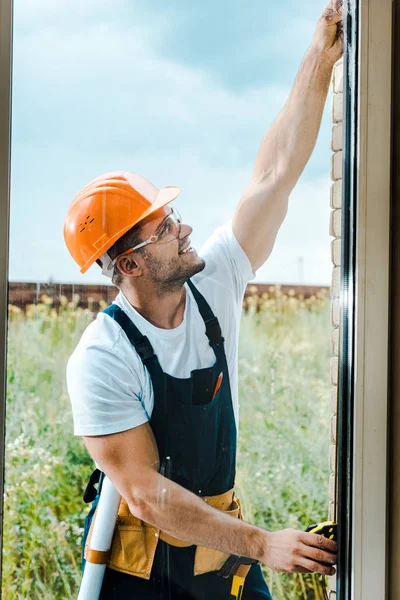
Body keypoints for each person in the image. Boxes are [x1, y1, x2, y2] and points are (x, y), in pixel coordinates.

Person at [64, 2, 343, 598]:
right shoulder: (103, 356)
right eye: (162, 228)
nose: (184, 230)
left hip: (220, 560)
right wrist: (264, 542)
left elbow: (274, 173)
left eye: (174, 216)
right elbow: (146, 493)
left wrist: (321, 54)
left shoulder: (213, 282)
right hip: (140, 575)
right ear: (130, 264)